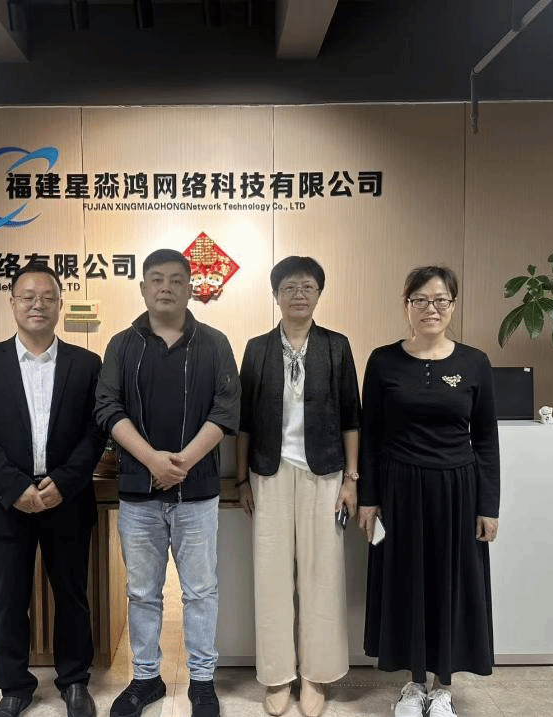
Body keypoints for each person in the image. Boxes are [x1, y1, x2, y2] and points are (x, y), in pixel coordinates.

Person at [94, 248, 240, 717]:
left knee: (200, 591)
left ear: (190, 288)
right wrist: (152, 460)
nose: (166, 287)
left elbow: (226, 410)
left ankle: (202, 680)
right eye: (156, 279)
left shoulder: (214, 343)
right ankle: (145, 679)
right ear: (142, 288)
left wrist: (182, 463)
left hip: (197, 494)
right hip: (138, 494)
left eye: (176, 280)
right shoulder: (122, 345)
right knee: (142, 593)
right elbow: (107, 407)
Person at [0, 263, 106, 717]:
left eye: (47, 297)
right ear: (12, 303)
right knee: (9, 601)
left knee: (73, 597)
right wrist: (14, 487)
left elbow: (95, 431)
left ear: (60, 305)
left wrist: (65, 482)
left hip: (67, 499)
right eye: (27, 296)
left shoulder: (87, 364)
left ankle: (74, 681)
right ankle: (14, 687)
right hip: (7, 503)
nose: (37, 304)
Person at [357, 266, 500, 717]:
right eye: (420, 300)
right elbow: (371, 435)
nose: (430, 309)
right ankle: (413, 684)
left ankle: (442, 688)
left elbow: (486, 440)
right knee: (406, 584)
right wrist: (368, 498)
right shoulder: (383, 360)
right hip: (399, 491)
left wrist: (488, 505)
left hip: (457, 491)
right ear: (407, 305)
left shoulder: (474, 362)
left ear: (453, 306)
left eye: (440, 300)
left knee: (450, 585)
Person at [234, 256, 361, 717]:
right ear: (276, 295)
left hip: (324, 474)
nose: (299, 295)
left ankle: (315, 675)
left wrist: (351, 479)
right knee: (270, 578)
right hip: (268, 473)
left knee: (321, 576)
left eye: (308, 286)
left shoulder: (337, 346)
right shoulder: (257, 349)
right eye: (289, 287)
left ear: (319, 294)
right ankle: (277, 675)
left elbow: (351, 417)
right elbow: (244, 421)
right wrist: (241, 478)